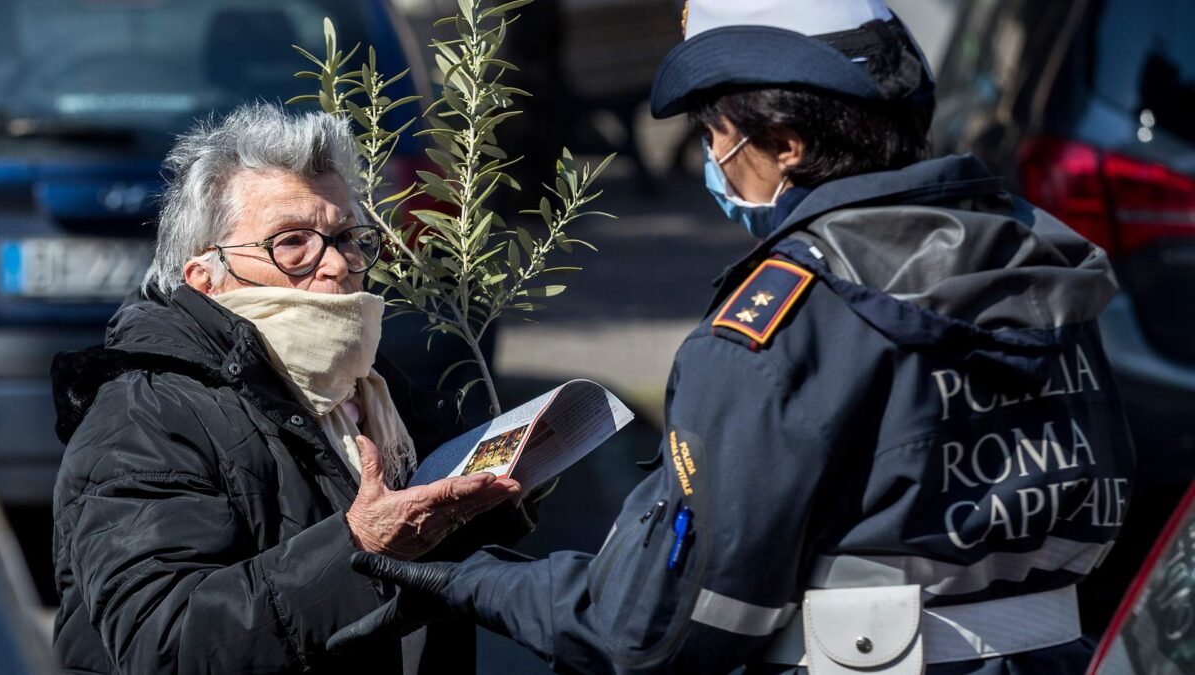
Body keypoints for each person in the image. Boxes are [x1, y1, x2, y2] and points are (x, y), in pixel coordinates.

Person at [331, 1, 1139, 673]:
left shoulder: (779, 326)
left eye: (720, 134)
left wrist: (456, 571)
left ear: (787, 144)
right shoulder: (1037, 264)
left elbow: (648, 629)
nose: (714, 158)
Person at [50, 103, 528, 674]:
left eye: (348, 237)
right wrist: (359, 546)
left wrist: (494, 502)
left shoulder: (373, 389)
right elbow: (167, 644)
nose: (334, 266)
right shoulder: (146, 413)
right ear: (206, 277)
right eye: (291, 241)